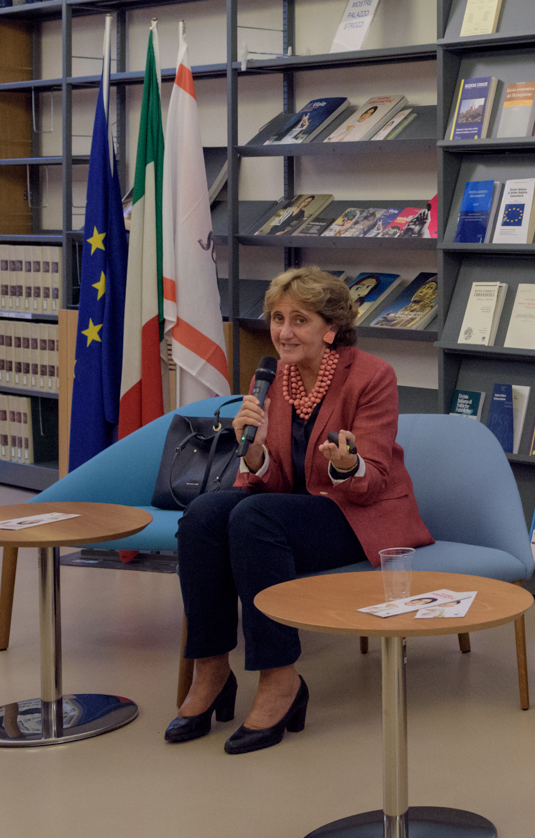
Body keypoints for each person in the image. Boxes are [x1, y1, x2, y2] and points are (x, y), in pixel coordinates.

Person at [170, 266, 432, 752]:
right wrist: (253, 450)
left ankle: (280, 678)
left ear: (330, 328)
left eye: (299, 320)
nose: (283, 332)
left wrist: (346, 464)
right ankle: (211, 669)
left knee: (254, 516)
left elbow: (371, 483)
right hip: (295, 509)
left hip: (358, 514)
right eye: (277, 318)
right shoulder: (273, 377)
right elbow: (271, 481)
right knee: (205, 514)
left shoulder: (373, 376)